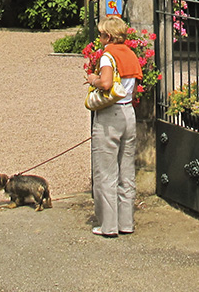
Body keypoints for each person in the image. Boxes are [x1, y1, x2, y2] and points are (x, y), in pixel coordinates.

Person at [85, 14, 142, 237]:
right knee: (126, 171)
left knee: (106, 171)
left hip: (110, 115)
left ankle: (108, 226)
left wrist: (93, 80)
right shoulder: (131, 55)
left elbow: (106, 83)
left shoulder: (108, 56)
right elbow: (135, 89)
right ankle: (126, 223)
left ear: (108, 36)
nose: (99, 38)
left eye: (101, 34)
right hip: (129, 112)